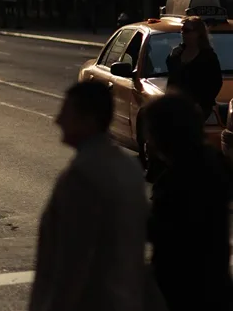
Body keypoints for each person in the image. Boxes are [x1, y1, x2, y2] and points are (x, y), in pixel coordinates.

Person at [29, 81, 148, 311]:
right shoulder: (129, 168)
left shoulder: (83, 177)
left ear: (88, 119)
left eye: (67, 113)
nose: (57, 120)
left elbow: (73, 262)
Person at [143, 93, 233, 311]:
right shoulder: (210, 163)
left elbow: (168, 234)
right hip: (212, 288)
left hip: (187, 293)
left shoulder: (180, 179)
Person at [166, 16, 222, 119]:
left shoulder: (207, 56)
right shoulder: (178, 53)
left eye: (187, 30)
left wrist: (202, 104)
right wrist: (171, 56)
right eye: (182, 30)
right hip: (176, 108)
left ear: (198, 34)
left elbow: (215, 83)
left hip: (198, 110)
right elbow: (172, 78)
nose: (183, 33)